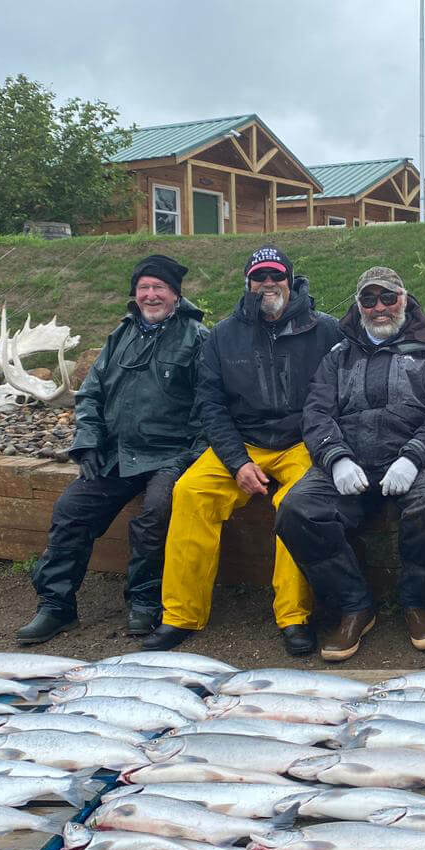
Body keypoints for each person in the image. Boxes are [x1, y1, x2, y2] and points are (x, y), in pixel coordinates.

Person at [147, 247, 342, 654]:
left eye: (276, 276)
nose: (268, 284)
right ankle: (181, 614)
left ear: (291, 279)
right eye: (259, 277)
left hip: (303, 442)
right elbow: (211, 405)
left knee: (297, 505)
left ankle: (293, 616)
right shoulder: (222, 335)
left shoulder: (326, 330)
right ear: (248, 283)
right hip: (242, 442)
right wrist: (237, 462)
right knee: (189, 493)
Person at [17, 254, 208, 645]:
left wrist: (189, 456)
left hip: (169, 456)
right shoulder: (119, 336)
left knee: (157, 513)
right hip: (117, 454)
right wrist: (87, 442)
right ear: (135, 295)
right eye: (144, 288)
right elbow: (89, 395)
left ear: (175, 294)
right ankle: (56, 606)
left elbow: (209, 406)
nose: (151, 295)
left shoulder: (198, 337)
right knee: (71, 510)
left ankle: (145, 601)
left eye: (160, 288)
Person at [276, 267, 425, 662]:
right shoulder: (337, 356)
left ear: (405, 299)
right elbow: (317, 413)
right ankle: (353, 605)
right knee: (297, 510)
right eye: (368, 300)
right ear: (359, 306)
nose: (379, 307)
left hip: (419, 458)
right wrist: (336, 458)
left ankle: (419, 603)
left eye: (388, 298)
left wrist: (413, 457)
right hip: (353, 460)